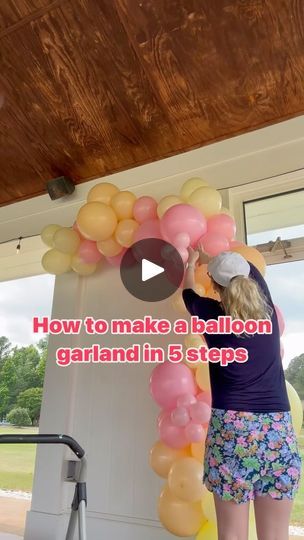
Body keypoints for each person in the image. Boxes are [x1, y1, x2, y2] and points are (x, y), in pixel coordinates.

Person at [182, 247, 302, 540]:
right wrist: (218, 258)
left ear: (214, 285)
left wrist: (192, 264)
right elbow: (251, 269)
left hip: (232, 431)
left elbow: (188, 294)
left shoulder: (211, 315)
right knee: (275, 536)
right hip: (277, 431)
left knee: (232, 535)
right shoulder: (269, 315)